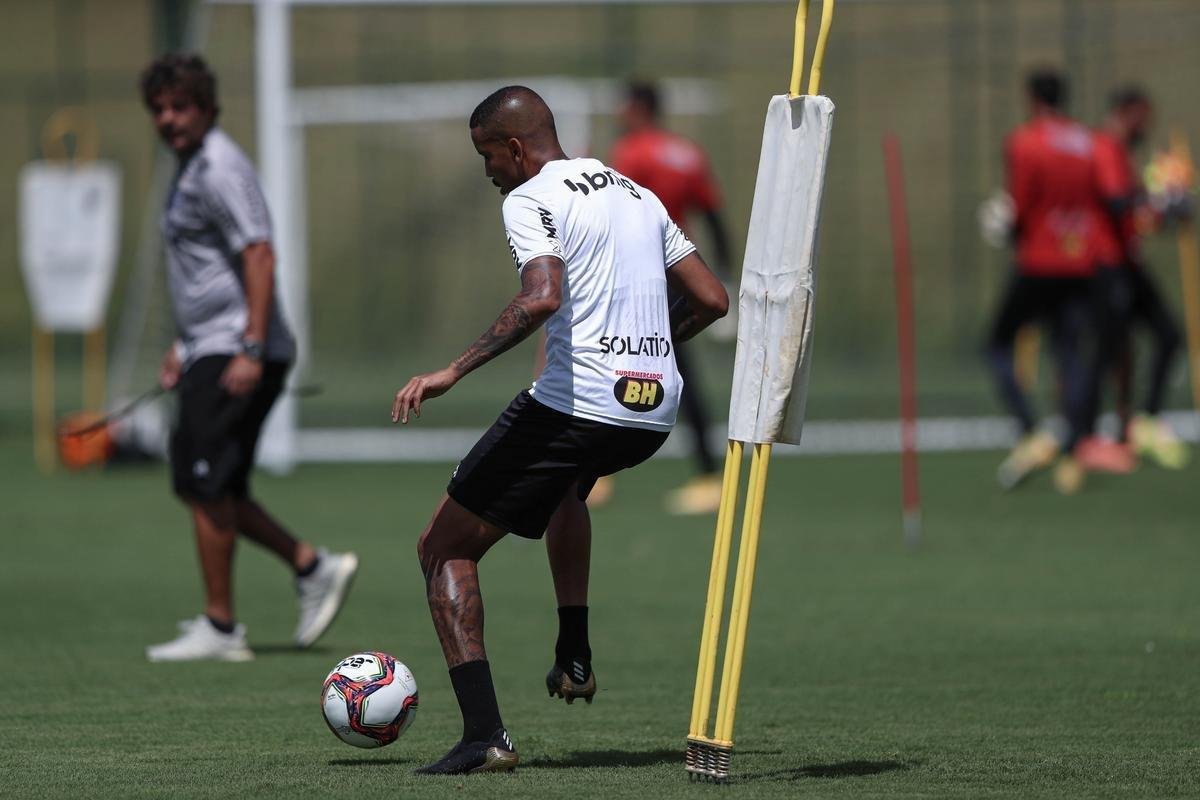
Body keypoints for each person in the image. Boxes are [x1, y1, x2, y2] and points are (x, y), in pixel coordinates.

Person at [391, 86, 728, 774]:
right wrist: (652, 350)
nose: (487, 171)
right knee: (566, 491)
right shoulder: (637, 193)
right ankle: (574, 650)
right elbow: (713, 299)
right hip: (653, 414)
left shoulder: (530, 197)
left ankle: (483, 736)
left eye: (487, 155)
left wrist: (453, 370)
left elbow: (542, 296)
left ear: (514, 148)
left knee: (442, 548)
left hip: (580, 407)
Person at [140, 54, 358, 662]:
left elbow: (259, 256)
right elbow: (209, 272)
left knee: (206, 483)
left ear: (207, 108)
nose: (168, 119)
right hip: (211, 345)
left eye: (180, 106)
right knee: (214, 483)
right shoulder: (189, 169)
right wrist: (183, 345)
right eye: (158, 109)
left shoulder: (218, 167)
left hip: (239, 347)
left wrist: (251, 347)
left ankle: (221, 627)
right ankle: (311, 567)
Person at [987, 69, 1127, 494]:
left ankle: (1033, 432)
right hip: (1081, 261)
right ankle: (1072, 448)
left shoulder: (1025, 142)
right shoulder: (1089, 143)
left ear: (1032, 99)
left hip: (1039, 261)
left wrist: (1001, 226)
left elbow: (1021, 208)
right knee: (1070, 351)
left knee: (996, 343)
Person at [609, 81, 735, 515]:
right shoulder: (687, 153)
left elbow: (616, 215)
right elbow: (715, 217)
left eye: (623, 105)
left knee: (617, 362)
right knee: (671, 368)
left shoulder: (631, 153)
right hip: (683, 273)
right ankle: (706, 475)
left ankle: (597, 473)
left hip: (640, 277)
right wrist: (726, 276)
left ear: (639, 108)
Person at [1093, 86, 1188, 469]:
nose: (1146, 125)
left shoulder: (1119, 152)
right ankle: (1090, 431)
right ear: (1127, 111)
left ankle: (1142, 420)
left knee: (1166, 335)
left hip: (1128, 263)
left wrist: (1165, 211)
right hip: (1108, 265)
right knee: (1112, 350)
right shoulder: (1104, 148)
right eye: (1143, 116)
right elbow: (1117, 204)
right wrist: (1158, 199)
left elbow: (1134, 215)